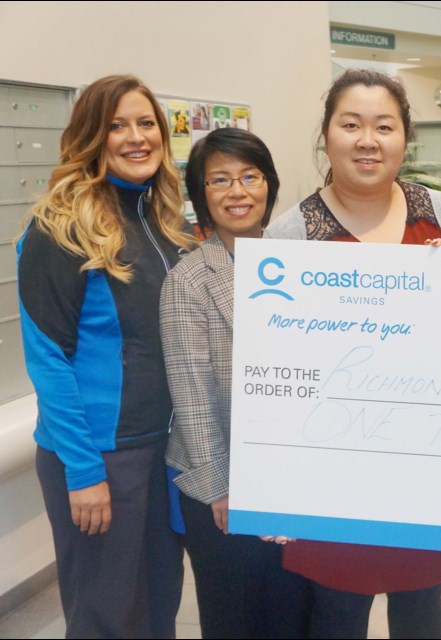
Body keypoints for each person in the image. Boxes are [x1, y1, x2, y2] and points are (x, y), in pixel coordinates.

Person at [265, 68, 441, 639]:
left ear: (404, 138)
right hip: (332, 466)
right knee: (337, 612)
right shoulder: (291, 235)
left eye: (384, 126)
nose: (368, 140)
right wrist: (276, 480)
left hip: (424, 460)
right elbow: (272, 368)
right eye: (351, 125)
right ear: (327, 135)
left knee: (421, 607)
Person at [16, 74, 195, 638]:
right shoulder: (59, 228)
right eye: (117, 125)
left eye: (146, 124)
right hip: (100, 455)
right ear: (91, 136)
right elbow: (47, 359)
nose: (136, 137)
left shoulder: (167, 224)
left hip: (160, 450)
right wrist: (84, 470)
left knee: (158, 605)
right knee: (105, 616)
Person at [160, 128, 311, 638]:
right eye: (219, 180)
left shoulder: (301, 264)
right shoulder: (188, 279)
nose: (237, 191)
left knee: (291, 612)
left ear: (268, 184)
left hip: (291, 478)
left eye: (249, 176)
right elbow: (192, 395)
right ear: (201, 194)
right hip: (222, 485)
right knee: (236, 617)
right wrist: (221, 487)